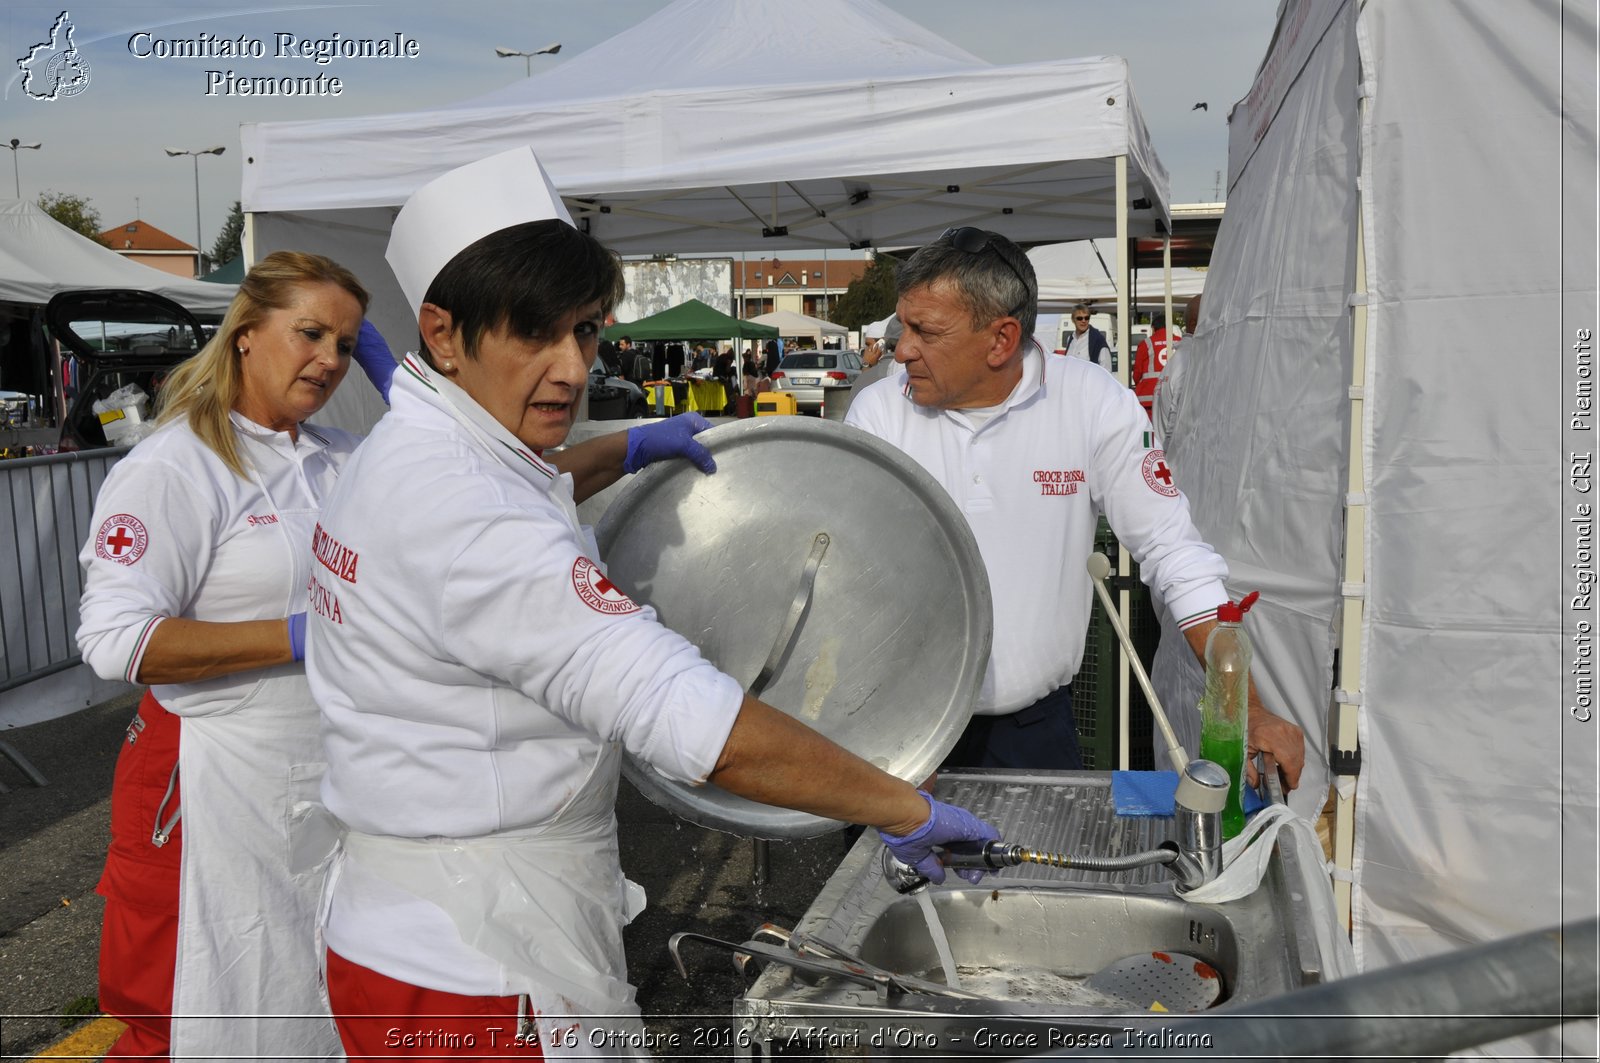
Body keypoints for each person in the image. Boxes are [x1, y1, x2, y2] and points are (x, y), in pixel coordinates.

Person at [305, 147, 999, 1059]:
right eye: (534, 334)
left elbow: (529, 480)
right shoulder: (469, 519)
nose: (568, 369)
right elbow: (694, 720)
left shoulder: (403, 453)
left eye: (585, 332)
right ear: (442, 331)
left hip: (401, 927)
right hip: (479, 962)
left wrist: (627, 448)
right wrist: (900, 807)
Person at [77, 251, 396, 1060]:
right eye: (311, 332)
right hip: (205, 788)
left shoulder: (336, 457)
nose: (329, 358)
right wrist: (295, 634)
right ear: (248, 333)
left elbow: (474, 500)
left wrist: (634, 449)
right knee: (188, 1013)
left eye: (347, 345)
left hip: (315, 781)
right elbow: (117, 640)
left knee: (305, 996)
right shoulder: (177, 465)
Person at [844, 226, 1304, 786]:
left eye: (924, 331)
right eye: (903, 325)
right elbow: (854, 577)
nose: (902, 347)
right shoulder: (879, 412)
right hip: (900, 728)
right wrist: (887, 730)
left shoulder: (1091, 401)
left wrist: (1244, 705)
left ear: (1001, 339)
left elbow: (1174, 551)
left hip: (1033, 733)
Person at [1154, 294, 1202, 448]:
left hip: (1167, 456)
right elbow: (1177, 421)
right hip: (1177, 461)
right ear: (1195, 323)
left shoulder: (1177, 359)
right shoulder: (1191, 361)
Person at [1133, 311, 1176, 421]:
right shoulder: (1178, 341)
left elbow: (1137, 374)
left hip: (1149, 400)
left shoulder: (1146, 344)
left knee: (1150, 435)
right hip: (1173, 398)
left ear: (1153, 328)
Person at [1063, 302, 1112, 372]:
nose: (1083, 321)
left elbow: (1106, 370)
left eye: (1086, 318)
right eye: (1079, 318)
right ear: (1073, 320)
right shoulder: (1070, 339)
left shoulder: (1098, 340)